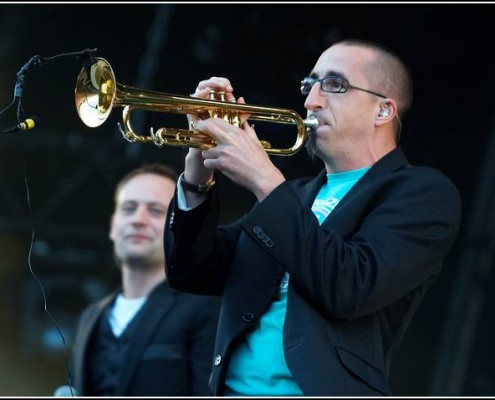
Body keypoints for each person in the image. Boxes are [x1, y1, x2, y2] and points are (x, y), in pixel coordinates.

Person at [163, 38, 462, 396]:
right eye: (309, 85)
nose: (310, 101)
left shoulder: (422, 194)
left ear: (383, 111)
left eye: (334, 85)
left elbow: (349, 287)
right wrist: (197, 176)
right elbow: (193, 271)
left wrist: (265, 180)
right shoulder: (297, 196)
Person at [69, 163, 221, 396]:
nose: (138, 220)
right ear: (112, 225)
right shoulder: (90, 317)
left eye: (156, 211)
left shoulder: (204, 308)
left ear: (177, 226)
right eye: (129, 208)